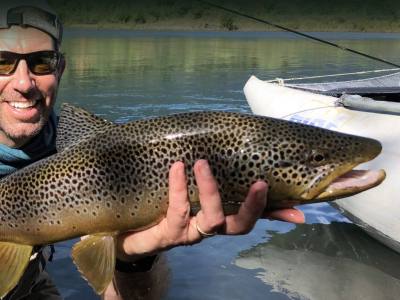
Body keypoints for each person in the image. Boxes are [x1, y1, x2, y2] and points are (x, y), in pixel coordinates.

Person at [0, 1, 305, 299]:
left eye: (42, 62)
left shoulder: (92, 151)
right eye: (2, 61)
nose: (24, 83)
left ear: (60, 68)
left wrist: (134, 258)